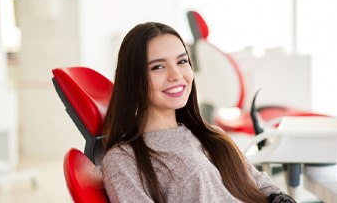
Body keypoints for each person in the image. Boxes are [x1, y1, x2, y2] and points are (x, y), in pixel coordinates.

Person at [101, 22, 296, 203]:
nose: (176, 75)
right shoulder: (123, 159)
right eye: (158, 67)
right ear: (133, 79)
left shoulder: (212, 135)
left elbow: (261, 185)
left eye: (182, 61)